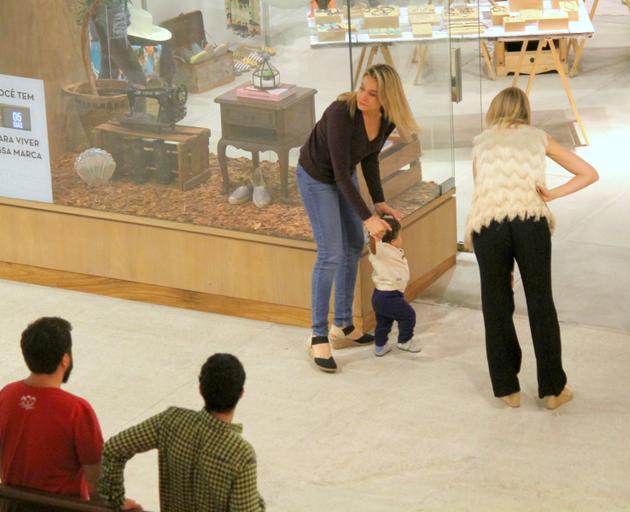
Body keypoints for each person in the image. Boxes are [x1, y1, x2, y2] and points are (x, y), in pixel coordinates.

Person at [465, 87, 598, 410]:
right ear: (525, 111)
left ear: (494, 110)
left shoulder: (481, 143)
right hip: (530, 221)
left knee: (495, 304)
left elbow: (480, 190)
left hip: (488, 224)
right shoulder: (539, 137)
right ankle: (553, 389)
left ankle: (507, 388)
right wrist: (552, 194)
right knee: (541, 302)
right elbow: (588, 173)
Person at [297, 63, 419, 373]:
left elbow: (369, 158)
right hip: (317, 177)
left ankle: (342, 326)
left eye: (372, 93)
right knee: (330, 254)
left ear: (386, 98)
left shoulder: (387, 119)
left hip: (342, 177)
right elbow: (339, 174)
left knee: (352, 247)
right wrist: (367, 218)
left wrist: (379, 202)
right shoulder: (342, 112)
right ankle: (318, 336)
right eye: (362, 88)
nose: (362, 96)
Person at [99, 353, 265, 512]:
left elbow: (114, 448)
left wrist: (115, 499)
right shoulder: (241, 454)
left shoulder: (170, 421)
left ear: (200, 388)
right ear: (241, 393)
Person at [0, 317, 104, 501]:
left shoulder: (6, 395)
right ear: (65, 359)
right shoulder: (77, 410)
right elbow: (97, 481)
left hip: (12, 505)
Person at [368, 215, 420, 356]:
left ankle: (380, 346)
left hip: (383, 295)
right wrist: (374, 233)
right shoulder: (382, 250)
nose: (401, 239)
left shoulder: (391, 250)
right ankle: (404, 341)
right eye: (399, 236)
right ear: (391, 240)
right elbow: (374, 245)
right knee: (408, 315)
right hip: (388, 295)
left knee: (384, 322)